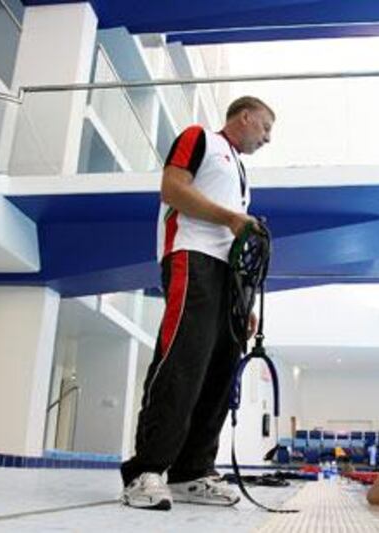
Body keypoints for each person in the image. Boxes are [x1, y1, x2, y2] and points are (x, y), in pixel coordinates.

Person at [120, 96, 275, 511]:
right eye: (265, 128)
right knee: (182, 361)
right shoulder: (199, 138)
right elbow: (172, 189)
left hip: (229, 277)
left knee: (220, 373)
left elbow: (234, 235)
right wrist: (229, 218)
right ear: (245, 116)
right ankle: (145, 471)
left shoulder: (241, 170)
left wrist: (245, 298)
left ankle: (192, 472)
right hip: (191, 255)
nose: (268, 138)